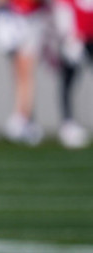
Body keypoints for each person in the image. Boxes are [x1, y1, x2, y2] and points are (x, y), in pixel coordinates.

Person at [0, 0, 51, 146]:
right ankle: (22, 117)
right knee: (21, 71)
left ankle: (23, 118)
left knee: (26, 71)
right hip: (14, 18)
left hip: (32, 18)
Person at [53, 0, 92, 149]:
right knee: (68, 81)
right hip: (75, 39)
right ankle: (68, 124)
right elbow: (62, 9)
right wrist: (69, 36)